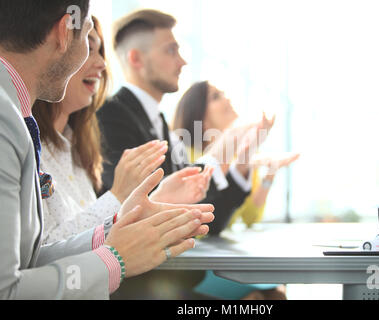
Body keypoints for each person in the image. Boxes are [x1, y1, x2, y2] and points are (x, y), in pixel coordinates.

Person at [0, 0, 214, 300]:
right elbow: (7, 291)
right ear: (64, 32)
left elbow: (29, 263)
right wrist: (114, 259)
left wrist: (114, 229)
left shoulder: (20, 118)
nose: (101, 63)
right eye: (88, 40)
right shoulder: (5, 120)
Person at [97, 9, 273, 299]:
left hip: (174, 277)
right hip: (141, 285)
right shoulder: (112, 116)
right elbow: (127, 210)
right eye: (171, 50)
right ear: (136, 59)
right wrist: (223, 147)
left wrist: (241, 159)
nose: (182, 61)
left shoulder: (159, 123)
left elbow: (210, 221)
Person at [33, 16, 213, 245]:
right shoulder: (109, 117)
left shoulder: (79, 147)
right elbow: (42, 253)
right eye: (88, 48)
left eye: (100, 52)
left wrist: (159, 198)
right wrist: (122, 194)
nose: (101, 64)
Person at [173, 81, 299, 300]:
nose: (227, 99)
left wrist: (269, 174)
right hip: (195, 264)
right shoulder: (186, 156)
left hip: (220, 257)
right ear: (199, 116)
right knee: (266, 294)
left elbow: (250, 217)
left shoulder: (240, 160)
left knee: (275, 289)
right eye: (215, 97)